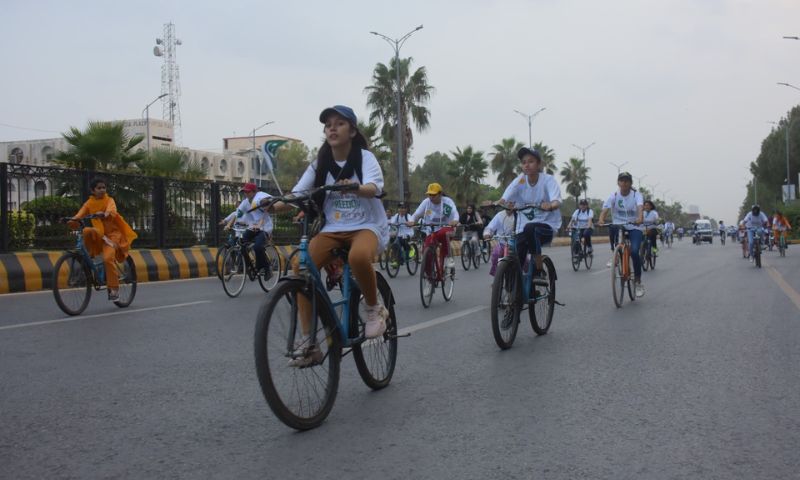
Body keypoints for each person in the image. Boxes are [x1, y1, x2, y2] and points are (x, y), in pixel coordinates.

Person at [269, 105, 390, 350]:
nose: (332, 128)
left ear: (353, 131)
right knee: (300, 267)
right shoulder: (319, 164)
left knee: (357, 257)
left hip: (367, 226)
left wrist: (355, 187)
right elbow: (298, 193)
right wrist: (271, 206)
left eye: (340, 123)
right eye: (328, 125)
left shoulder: (364, 158)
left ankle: (374, 308)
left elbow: (374, 188)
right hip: (333, 228)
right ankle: (309, 341)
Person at [68, 177, 137, 301]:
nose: (102, 190)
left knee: (107, 258)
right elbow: (80, 214)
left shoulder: (109, 200)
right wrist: (71, 220)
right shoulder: (89, 203)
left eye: (103, 187)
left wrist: (104, 214)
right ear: (93, 190)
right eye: (99, 188)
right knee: (86, 231)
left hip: (113, 236)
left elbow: (112, 211)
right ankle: (88, 259)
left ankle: (114, 289)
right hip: (101, 235)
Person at [497, 147, 562, 276]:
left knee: (530, 228)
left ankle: (538, 271)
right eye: (524, 162)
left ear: (539, 164)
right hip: (524, 229)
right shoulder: (520, 180)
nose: (527, 165)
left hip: (547, 226)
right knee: (517, 253)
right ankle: (512, 287)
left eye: (531, 161)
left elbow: (557, 200)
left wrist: (550, 205)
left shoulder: (548, 180)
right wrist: (496, 203)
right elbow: (505, 197)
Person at [598, 172, 645, 297]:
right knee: (612, 227)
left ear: (630, 183)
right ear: (618, 183)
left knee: (634, 252)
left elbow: (640, 208)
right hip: (619, 225)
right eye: (622, 181)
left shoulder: (637, 195)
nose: (624, 183)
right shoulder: (613, 196)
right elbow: (605, 210)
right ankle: (615, 253)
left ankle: (638, 282)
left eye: (627, 181)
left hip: (634, 226)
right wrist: (601, 219)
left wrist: (640, 218)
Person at [222, 182, 273, 277]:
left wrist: (259, 224)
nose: (246, 194)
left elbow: (265, 212)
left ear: (254, 192)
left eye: (248, 192)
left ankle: (266, 268)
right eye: (244, 192)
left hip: (264, 228)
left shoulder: (260, 199)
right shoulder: (245, 202)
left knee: (257, 246)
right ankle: (248, 266)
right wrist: (229, 224)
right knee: (241, 244)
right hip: (252, 227)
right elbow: (237, 214)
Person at [407, 183, 460, 274]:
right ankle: (429, 278)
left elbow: (455, 213)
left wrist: (455, 220)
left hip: (447, 229)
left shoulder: (447, 202)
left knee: (443, 233)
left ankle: (448, 258)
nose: (431, 197)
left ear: (440, 194)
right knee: (426, 254)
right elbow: (416, 214)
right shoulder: (426, 202)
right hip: (431, 231)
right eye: (429, 194)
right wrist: (412, 220)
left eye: (434, 195)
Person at [483, 208, 515, 276]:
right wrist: (487, 233)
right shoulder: (499, 215)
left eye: (512, 203)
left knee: (526, 260)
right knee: (495, 254)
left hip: (516, 244)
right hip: (502, 243)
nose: (510, 205)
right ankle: (496, 279)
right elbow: (490, 227)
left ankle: (524, 278)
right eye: (508, 202)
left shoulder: (518, 214)